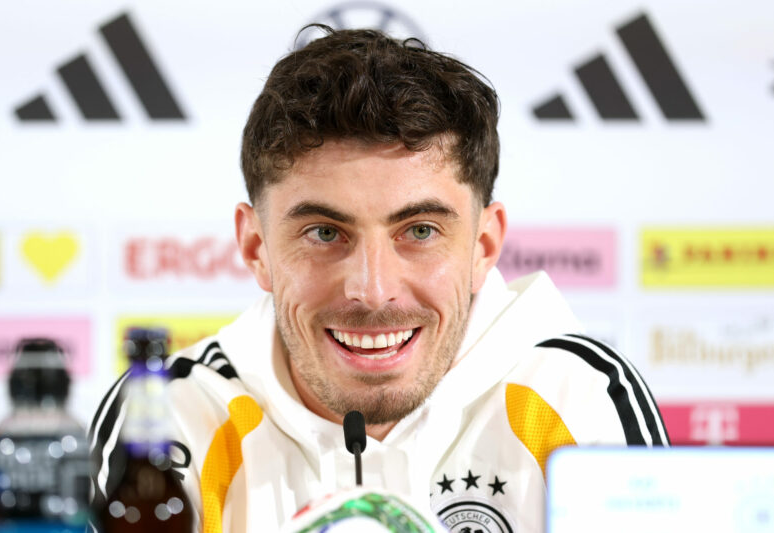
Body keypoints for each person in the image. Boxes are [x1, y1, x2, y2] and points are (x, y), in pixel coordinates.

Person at [88, 26, 668, 532]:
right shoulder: (170, 415)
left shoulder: (577, 393)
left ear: (483, 245)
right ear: (256, 246)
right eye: (323, 232)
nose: (372, 289)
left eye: (419, 232)